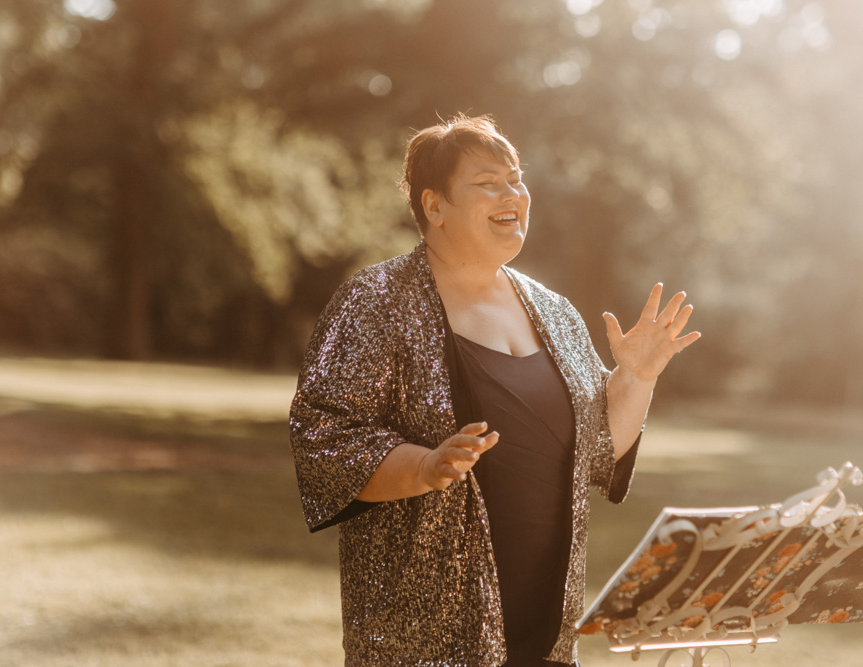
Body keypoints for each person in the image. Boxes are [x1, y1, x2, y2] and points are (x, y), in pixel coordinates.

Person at [290, 114, 699, 666]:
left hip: (546, 638)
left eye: (515, 178)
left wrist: (637, 378)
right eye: (488, 183)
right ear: (434, 207)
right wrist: (423, 467)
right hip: (423, 642)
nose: (513, 194)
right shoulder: (376, 301)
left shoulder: (555, 313)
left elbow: (598, 450)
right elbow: (325, 437)